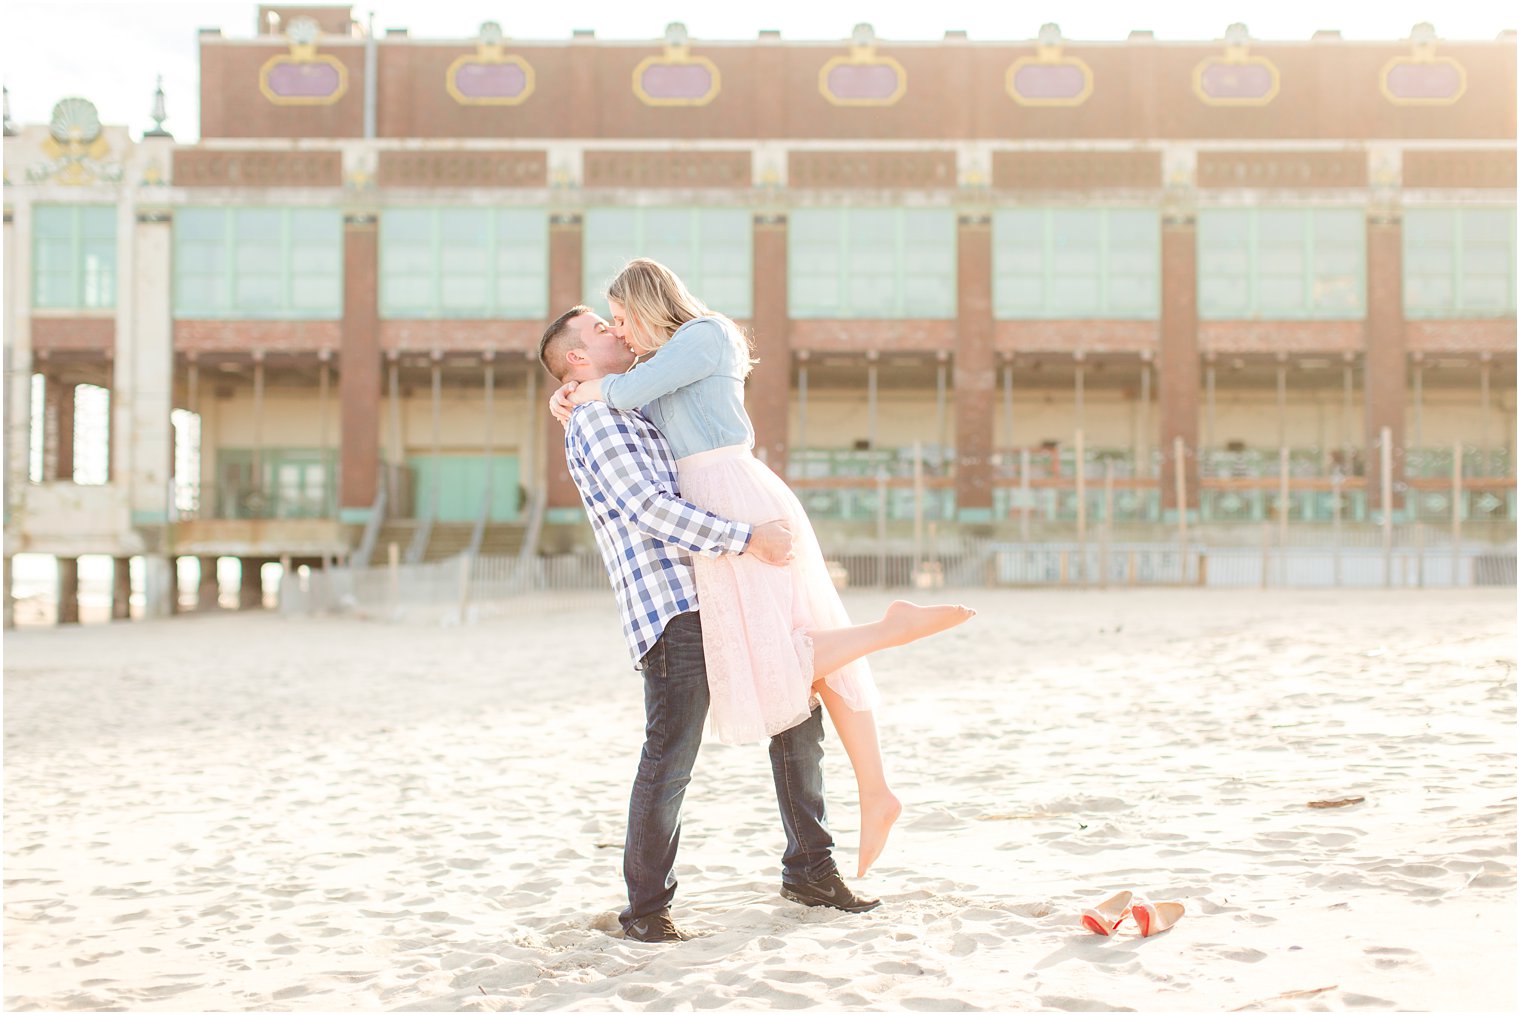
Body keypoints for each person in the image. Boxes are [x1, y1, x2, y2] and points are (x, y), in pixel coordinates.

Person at [550, 260, 974, 879]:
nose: (619, 332)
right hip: (716, 519)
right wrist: (575, 390)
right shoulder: (649, 370)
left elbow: (619, 392)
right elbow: (620, 405)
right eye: (606, 326)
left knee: (783, 653)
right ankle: (874, 792)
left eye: (621, 318)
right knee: (793, 662)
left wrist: (584, 388)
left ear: (646, 305)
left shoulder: (705, 336)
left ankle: (888, 646)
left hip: (737, 500)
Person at [538, 307, 882, 943]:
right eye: (600, 328)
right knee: (670, 756)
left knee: (799, 715)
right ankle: (645, 910)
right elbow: (648, 508)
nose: (616, 329)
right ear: (577, 359)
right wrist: (746, 537)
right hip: (677, 606)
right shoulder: (598, 419)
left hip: (726, 586)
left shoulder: (626, 403)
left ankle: (811, 870)